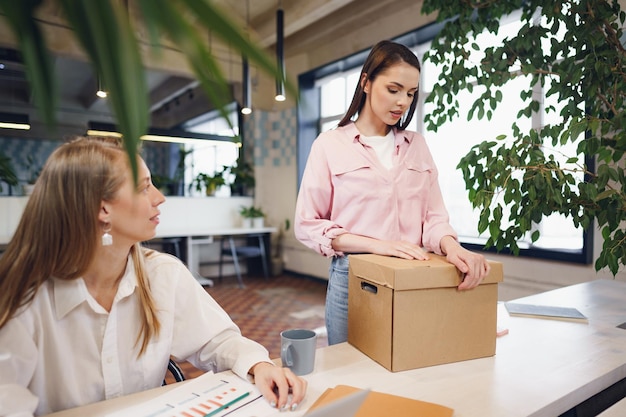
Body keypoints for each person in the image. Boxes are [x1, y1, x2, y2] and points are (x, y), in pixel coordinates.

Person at [0, 136, 306, 416]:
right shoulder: (26, 296)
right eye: (144, 187)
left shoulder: (163, 274)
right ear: (102, 208)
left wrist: (259, 365)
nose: (159, 198)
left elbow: (217, 340)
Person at [294, 40, 491, 345]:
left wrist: (453, 248)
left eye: (411, 94)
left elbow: (434, 218)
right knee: (352, 373)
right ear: (367, 82)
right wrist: (379, 246)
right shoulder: (329, 145)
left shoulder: (417, 146)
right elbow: (308, 224)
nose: (403, 102)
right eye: (394, 89)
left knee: (409, 370)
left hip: (412, 276)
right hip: (354, 278)